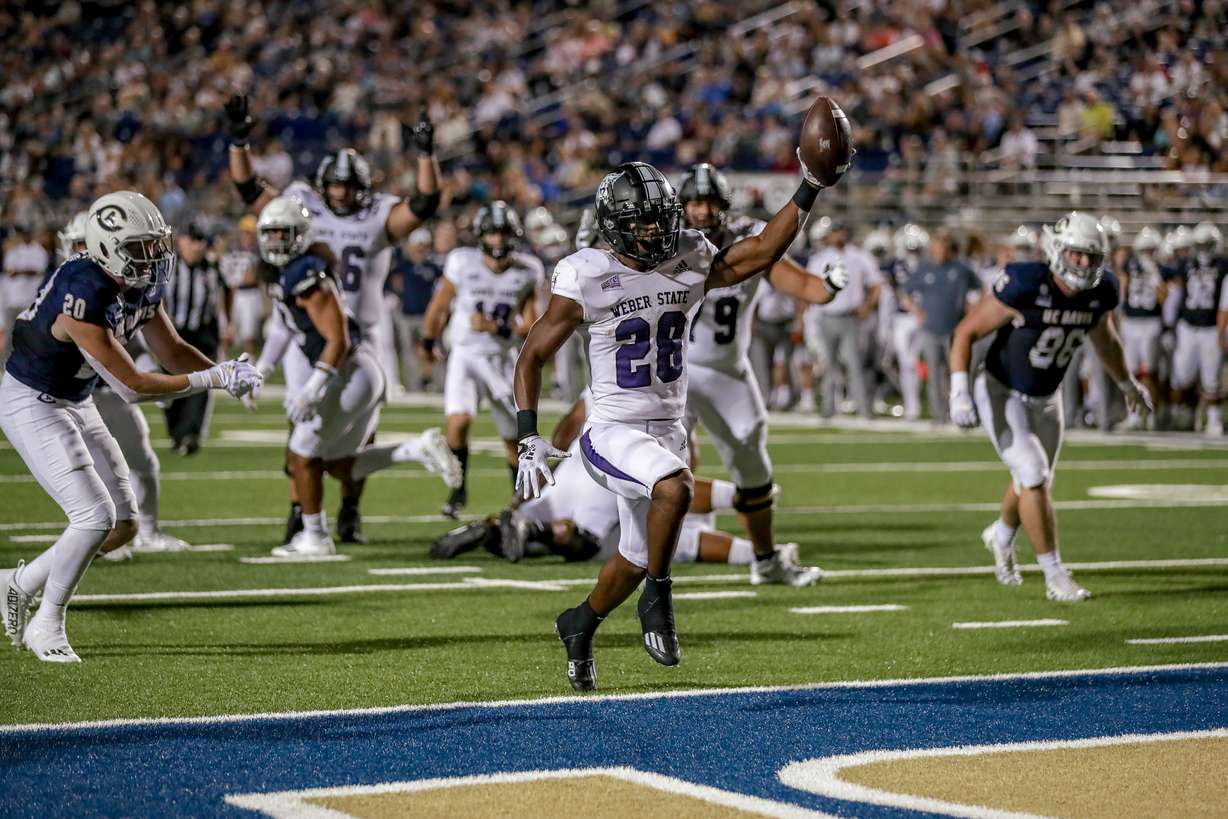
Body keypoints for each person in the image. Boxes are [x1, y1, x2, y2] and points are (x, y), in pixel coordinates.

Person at [513, 154, 837, 691]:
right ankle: (658, 599)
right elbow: (531, 356)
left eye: (660, 219)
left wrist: (811, 184)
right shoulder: (586, 274)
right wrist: (529, 433)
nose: (654, 230)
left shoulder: (690, 255)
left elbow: (762, 250)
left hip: (667, 429)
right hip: (611, 430)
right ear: (615, 225)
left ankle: (579, 623)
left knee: (633, 557)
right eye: (641, 221)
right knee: (675, 487)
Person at [0, 192, 262, 661]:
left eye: (156, 244)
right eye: (141, 247)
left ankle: (18, 583)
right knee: (94, 517)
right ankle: (48, 623)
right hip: (32, 399)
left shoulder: (137, 283)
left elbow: (172, 350)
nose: (155, 255)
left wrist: (224, 374)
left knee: (123, 525)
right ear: (108, 248)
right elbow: (133, 387)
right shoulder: (83, 289)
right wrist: (212, 379)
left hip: (75, 397)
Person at [225, 93, 441, 544]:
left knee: (360, 430)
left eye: (348, 186)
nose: (341, 193)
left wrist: (425, 155)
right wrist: (239, 142)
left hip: (362, 333)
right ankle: (301, 509)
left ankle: (348, 510)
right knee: (301, 422)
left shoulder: (378, 213)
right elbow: (250, 192)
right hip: (306, 332)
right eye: (335, 186)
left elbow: (424, 203)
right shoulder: (301, 206)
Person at [949, 212, 1151, 603]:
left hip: (1047, 396)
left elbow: (1104, 339)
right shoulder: (1026, 282)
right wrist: (959, 391)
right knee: (1033, 473)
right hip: (1002, 390)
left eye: (1092, 256)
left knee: (1033, 480)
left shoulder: (1101, 290)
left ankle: (1001, 535)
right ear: (1058, 250)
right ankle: (1055, 575)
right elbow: (965, 332)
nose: (1084, 263)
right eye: (1077, 254)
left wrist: (1127, 383)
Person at [253, 196, 461, 556]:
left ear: (299, 235)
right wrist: (263, 369)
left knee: (300, 454)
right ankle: (416, 448)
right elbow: (287, 327)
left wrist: (311, 389)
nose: (274, 242)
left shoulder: (306, 274)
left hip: (350, 373)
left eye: (281, 234)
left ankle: (315, 537)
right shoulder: (290, 271)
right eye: (269, 234)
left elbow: (338, 340)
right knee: (339, 465)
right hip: (355, 372)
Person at [677, 162, 842, 584]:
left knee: (754, 468)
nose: (702, 211)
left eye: (710, 202)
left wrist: (827, 288)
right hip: (675, 370)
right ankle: (645, 552)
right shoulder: (669, 244)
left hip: (728, 371)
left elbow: (799, 282)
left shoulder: (747, 240)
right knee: (662, 463)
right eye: (695, 202)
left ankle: (765, 561)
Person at [432, 396, 802, 569]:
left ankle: (493, 528)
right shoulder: (677, 382)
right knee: (591, 538)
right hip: (618, 468)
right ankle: (538, 530)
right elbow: (682, 491)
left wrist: (551, 469)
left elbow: (569, 423)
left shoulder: (612, 363)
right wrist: (748, 497)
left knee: (655, 533)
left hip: (583, 455)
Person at [55, 211, 193, 554]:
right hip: (72, 397)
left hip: (110, 391)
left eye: (87, 245)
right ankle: (100, 540)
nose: (84, 254)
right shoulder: (69, 290)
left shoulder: (129, 286)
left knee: (142, 461)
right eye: (78, 245)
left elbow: (144, 343)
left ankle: (146, 531)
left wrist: (150, 372)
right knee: (92, 473)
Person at [420, 202, 543, 518]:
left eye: (503, 233)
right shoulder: (462, 262)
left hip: (503, 358)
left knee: (513, 437)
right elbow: (439, 305)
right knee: (459, 422)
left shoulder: (527, 270)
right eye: (492, 233)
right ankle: (457, 490)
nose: (498, 240)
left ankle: (521, 501)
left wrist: (495, 327)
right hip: (466, 355)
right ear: (481, 236)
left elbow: (532, 325)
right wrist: (429, 340)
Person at [162, 220, 232, 455]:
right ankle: (177, 433)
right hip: (174, 333)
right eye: (194, 240)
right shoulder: (168, 266)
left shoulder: (213, 266)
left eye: (202, 241)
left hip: (204, 333)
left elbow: (228, 290)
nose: (199, 246)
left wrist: (228, 322)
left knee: (202, 383)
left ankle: (191, 434)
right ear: (181, 241)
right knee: (172, 387)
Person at [803, 218, 881, 418]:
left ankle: (863, 408)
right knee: (829, 365)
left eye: (842, 230)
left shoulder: (859, 256)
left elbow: (876, 284)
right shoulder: (820, 258)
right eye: (836, 231)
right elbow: (808, 287)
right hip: (826, 316)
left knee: (855, 364)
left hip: (850, 317)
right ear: (829, 235)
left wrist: (868, 306)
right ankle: (828, 408)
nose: (839, 234)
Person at [908, 231, 983, 424]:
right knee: (933, 373)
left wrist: (972, 309)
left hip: (955, 330)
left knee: (957, 372)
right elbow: (905, 291)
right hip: (930, 329)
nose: (941, 251)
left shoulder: (960, 269)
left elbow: (979, 289)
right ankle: (938, 415)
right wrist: (917, 312)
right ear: (933, 249)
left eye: (944, 247)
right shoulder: (924, 269)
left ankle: (959, 412)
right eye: (938, 247)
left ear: (949, 249)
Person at [1169, 222, 1226, 436]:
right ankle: (1183, 414)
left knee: (1212, 377)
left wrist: (1222, 331)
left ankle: (1213, 420)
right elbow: (1176, 293)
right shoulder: (1185, 264)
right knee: (1182, 375)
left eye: (1207, 244)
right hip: (1188, 326)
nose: (1203, 249)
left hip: (1211, 327)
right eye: (1200, 244)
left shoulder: (1224, 266)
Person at [1117, 226, 1168, 429]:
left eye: (1150, 249)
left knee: (1150, 372)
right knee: (1131, 371)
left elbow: (1163, 299)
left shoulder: (1162, 269)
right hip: (1131, 322)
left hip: (1150, 321)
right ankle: (1134, 415)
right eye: (1145, 250)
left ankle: (1152, 413)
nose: (1147, 253)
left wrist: (1155, 278)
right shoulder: (1130, 265)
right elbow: (1123, 291)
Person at [389, 227, 442, 392]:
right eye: (417, 246)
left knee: (432, 348)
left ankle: (439, 385)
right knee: (409, 352)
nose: (420, 250)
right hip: (407, 315)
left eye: (423, 246)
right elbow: (392, 281)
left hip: (427, 316)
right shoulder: (403, 266)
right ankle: (413, 387)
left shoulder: (433, 267)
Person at [220, 214, 265, 358]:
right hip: (233, 293)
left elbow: (252, 277)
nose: (247, 236)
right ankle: (220, 361)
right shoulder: (233, 250)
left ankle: (249, 363)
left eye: (250, 233)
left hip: (250, 294)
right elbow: (226, 273)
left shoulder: (259, 252)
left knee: (249, 335)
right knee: (226, 333)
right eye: (245, 232)